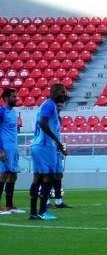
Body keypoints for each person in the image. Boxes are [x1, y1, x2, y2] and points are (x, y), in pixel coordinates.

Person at [29, 84, 69, 221]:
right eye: (63, 92)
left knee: (38, 178)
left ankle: (34, 212)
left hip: (39, 145)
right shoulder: (50, 105)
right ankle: (42, 211)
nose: (64, 95)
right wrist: (56, 141)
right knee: (49, 178)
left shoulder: (47, 105)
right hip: (45, 145)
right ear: (56, 92)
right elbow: (43, 123)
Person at [0, 88, 22, 214]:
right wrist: (0, 150)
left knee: (13, 175)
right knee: (3, 175)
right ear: (6, 98)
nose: (16, 98)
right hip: (5, 149)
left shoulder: (13, 112)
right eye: (14, 96)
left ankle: (9, 205)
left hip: (14, 148)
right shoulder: (2, 112)